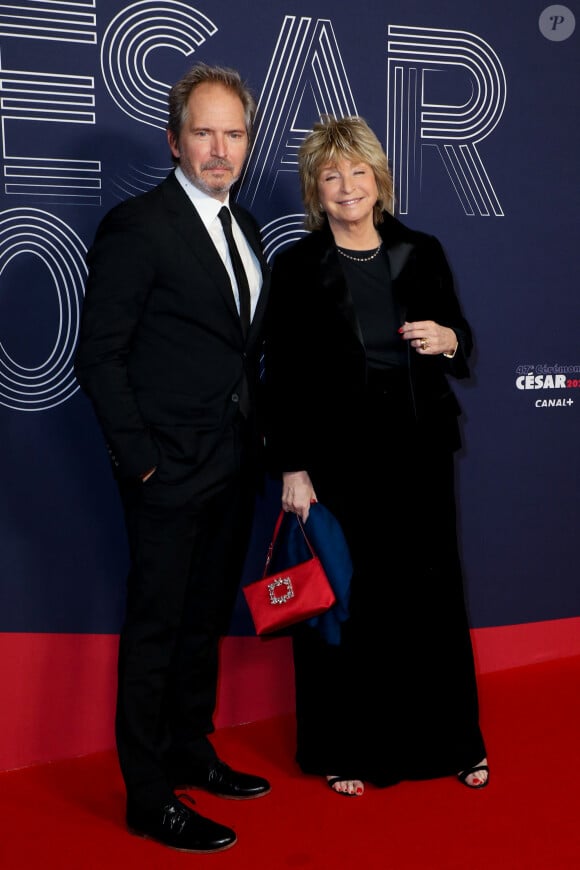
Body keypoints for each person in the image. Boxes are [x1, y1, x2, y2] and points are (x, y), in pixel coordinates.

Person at [74, 63, 271, 852]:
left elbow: (235, 353)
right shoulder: (139, 224)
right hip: (166, 473)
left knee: (202, 622)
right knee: (156, 631)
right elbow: (99, 356)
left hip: (233, 468)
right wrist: (142, 462)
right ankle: (148, 794)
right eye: (204, 132)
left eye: (233, 133)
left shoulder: (247, 227)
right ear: (174, 139)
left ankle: (192, 749)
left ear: (247, 142)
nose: (219, 150)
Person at [263, 115, 488, 798]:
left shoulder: (421, 250)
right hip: (340, 464)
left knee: (431, 601)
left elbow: (463, 343)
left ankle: (454, 744)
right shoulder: (298, 267)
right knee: (350, 605)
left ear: (379, 179)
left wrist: (448, 337)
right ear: (316, 189)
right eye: (331, 175)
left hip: (419, 455)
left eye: (358, 171)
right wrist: (293, 468)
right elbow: (283, 376)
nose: (347, 185)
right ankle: (346, 748)